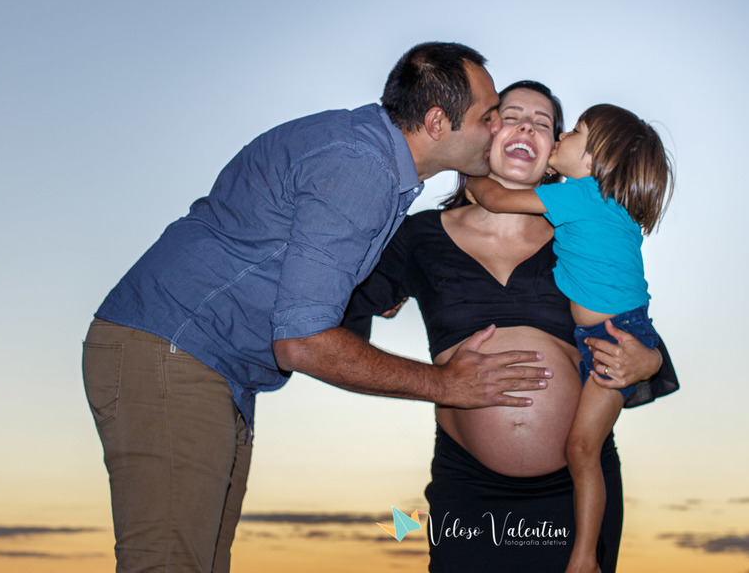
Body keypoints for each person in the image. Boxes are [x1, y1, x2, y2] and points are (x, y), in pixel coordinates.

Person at [82, 43, 557, 573]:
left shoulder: (370, 159)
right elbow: (302, 341)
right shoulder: (361, 169)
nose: (499, 129)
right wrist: (448, 385)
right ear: (437, 121)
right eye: (488, 116)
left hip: (206, 366)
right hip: (174, 350)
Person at [345, 83, 679, 572]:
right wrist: (431, 381)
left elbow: (630, 327)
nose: (527, 126)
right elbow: (336, 325)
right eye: (511, 114)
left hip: (577, 490)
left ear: (553, 156)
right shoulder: (419, 237)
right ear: (485, 133)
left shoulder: (581, 235)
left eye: (544, 123)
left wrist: (648, 361)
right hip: (468, 490)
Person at [466, 103, 674, 573]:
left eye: (576, 131)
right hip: (615, 332)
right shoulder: (605, 207)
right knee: (584, 449)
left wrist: (472, 175)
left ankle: (583, 558)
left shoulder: (583, 196)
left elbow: (497, 200)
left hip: (614, 338)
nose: (561, 133)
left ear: (596, 163)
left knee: (582, 449)